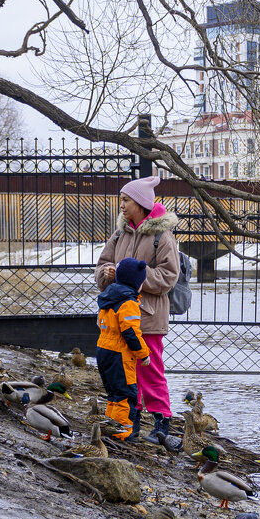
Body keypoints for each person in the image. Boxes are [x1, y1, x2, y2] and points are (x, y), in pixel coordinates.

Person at [95, 175, 181, 449]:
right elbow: (102, 265)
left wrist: (129, 276)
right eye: (121, 199)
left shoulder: (161, 236)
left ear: (141, 203)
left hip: (149, 317)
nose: (121, 205)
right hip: (121, 317)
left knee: (151, 370)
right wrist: (107, 274)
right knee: (125, 372)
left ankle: (161, 424)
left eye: (125, 200)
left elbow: (169, 276)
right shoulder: (120, 233)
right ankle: (130, 422)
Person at [95, 258, 152, 440]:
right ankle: (122, 434)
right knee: (125, 396)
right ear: (136, 283)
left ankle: (109, 428)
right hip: (119, 355)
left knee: (113, 394)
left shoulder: (109, 297)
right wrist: (144, 354)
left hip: (103, 350)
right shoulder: (128, 303)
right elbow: (131, 333)